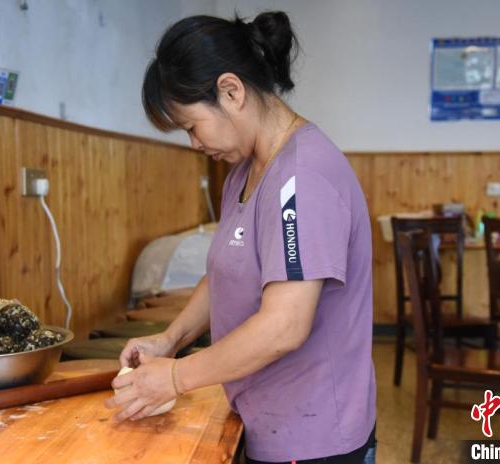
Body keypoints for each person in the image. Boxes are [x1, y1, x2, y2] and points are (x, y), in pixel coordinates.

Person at [104, 11, 377, 464]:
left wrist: (175, 378)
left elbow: (285, 326)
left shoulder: (302, 176)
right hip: (262, 416)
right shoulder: (244, 172)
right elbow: (225, 273)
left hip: (315, 438)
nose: (193, 143)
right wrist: (168, 341)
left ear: (232, 92)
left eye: (192, 126)